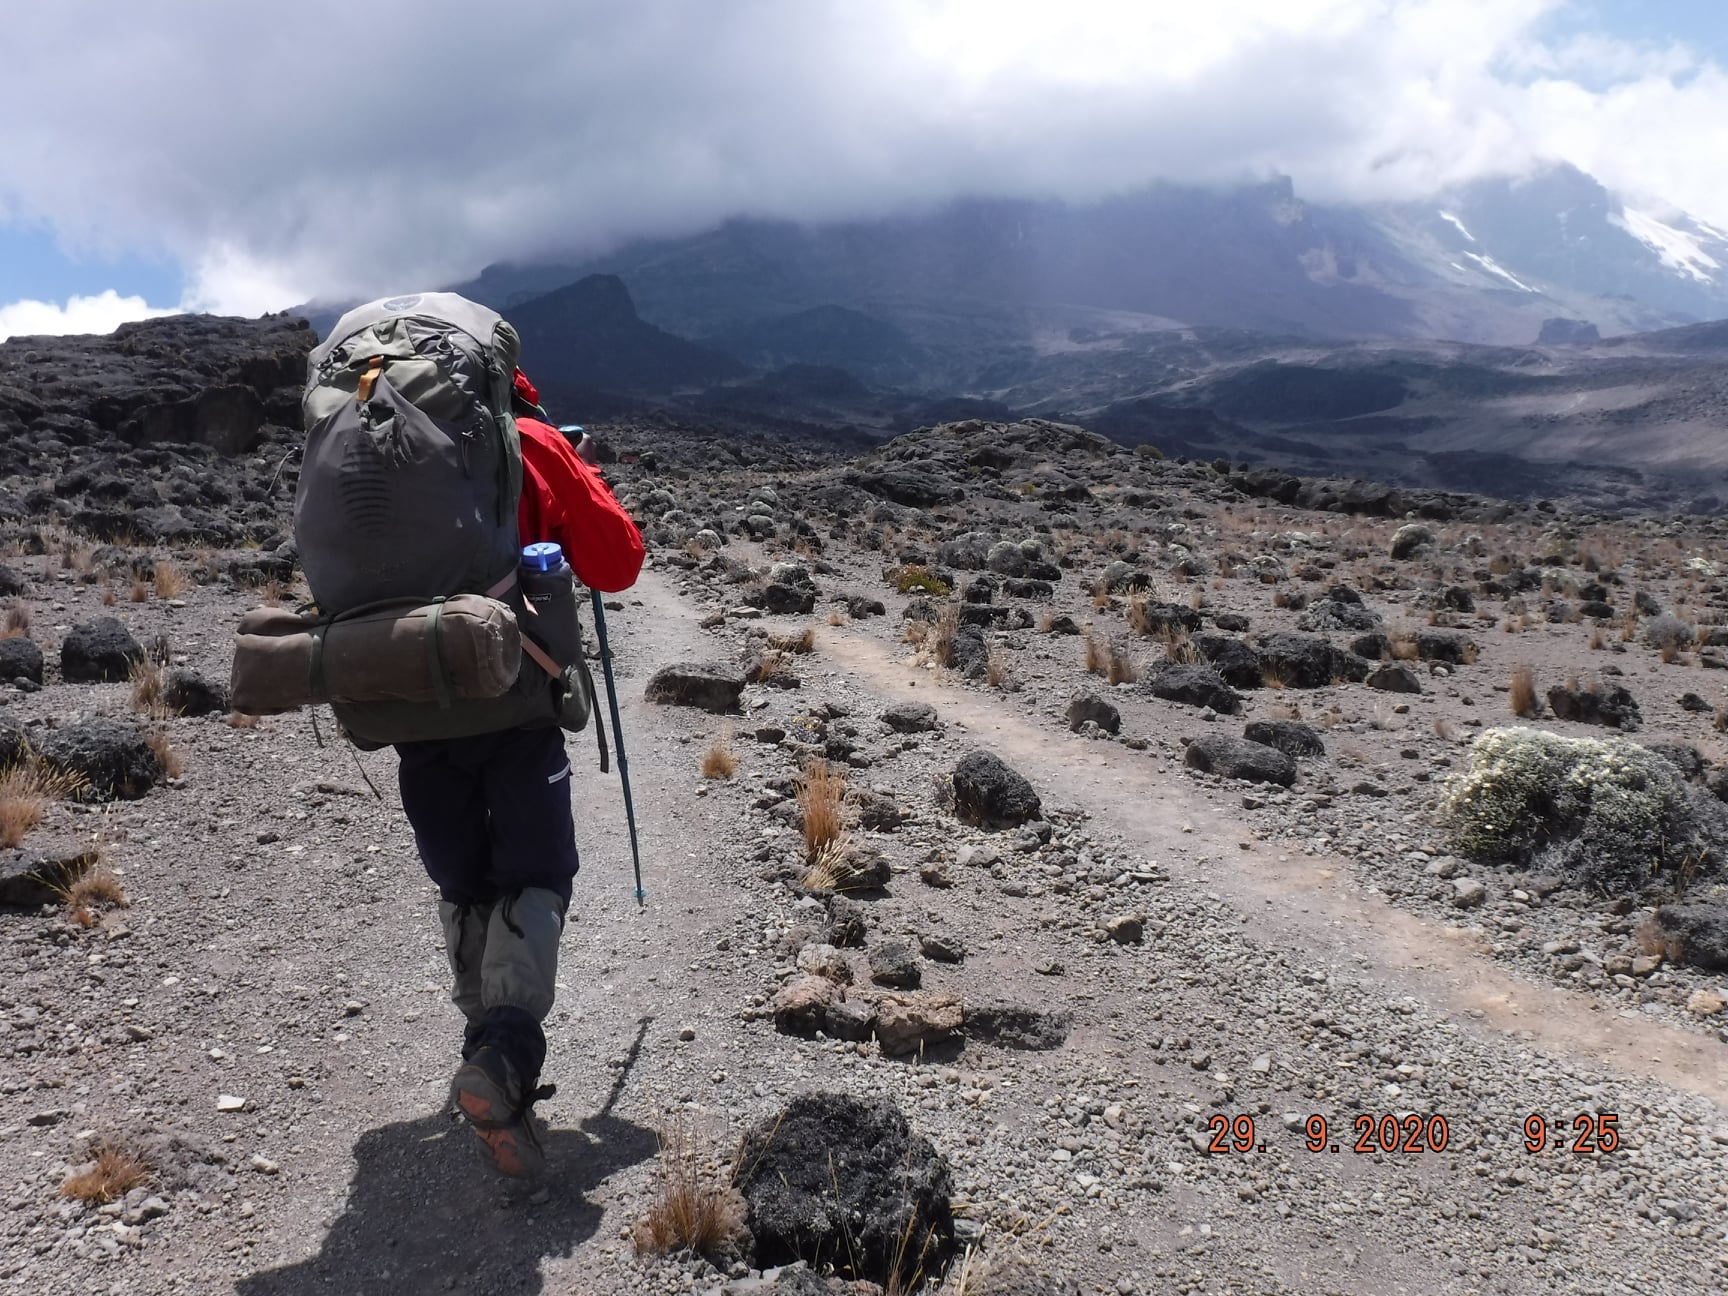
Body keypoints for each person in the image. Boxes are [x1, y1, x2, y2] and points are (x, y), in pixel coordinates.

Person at [393, 366, 644, 1177]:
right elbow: (618, 562)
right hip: (513, 709)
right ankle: (502, 1058)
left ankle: (487, 1052)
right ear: (517, 392)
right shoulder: (530, 440)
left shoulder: (380, 451)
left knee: (464, 883)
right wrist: (582, 477)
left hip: (409, 706)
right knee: (535, 873)